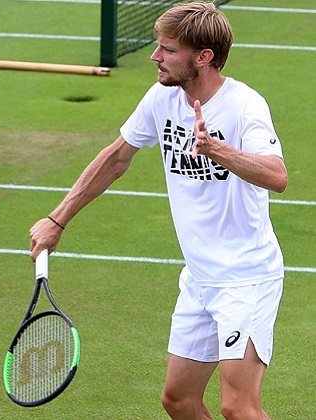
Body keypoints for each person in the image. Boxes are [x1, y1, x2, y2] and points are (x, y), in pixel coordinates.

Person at [28, 2, 287, 419]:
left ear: (203, 58)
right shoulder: (162, 98)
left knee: (239, 408)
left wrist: (217, 149)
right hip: (199, 278)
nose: (155, 57)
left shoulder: (244, 106)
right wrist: (57, 219)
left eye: (167, 49)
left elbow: (277, 175)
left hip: (246, 279)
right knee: (179, 400)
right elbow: (116, 158)